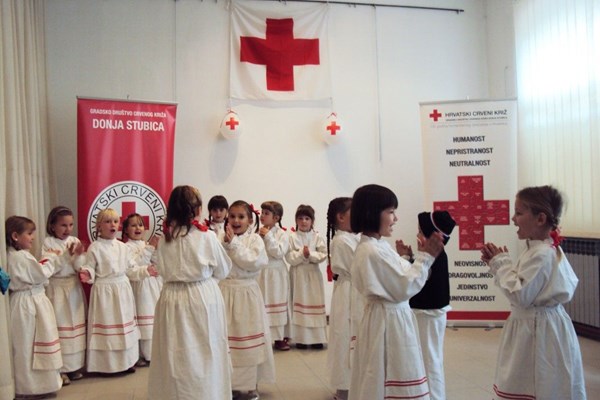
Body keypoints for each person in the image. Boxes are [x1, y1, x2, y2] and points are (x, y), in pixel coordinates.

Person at [480, 185, 587, 400]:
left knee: (536, 382)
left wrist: (500, 265)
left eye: (519, 213)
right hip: (537, 325)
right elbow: (525, 284)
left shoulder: (542, 254)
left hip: (539, 330)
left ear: (540, 219)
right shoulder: (538, 249)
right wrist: (500, 265)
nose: (513, 218)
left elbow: (521, 295)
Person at [348, 184, 444, 400]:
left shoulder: (378, 246)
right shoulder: (371, 250)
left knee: (389, 372)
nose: (396, 218)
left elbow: (401, 274)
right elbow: (404, 287)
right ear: (371, 213)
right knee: (391, 373)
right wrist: (425, 258)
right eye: (390, 212)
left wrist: (411, 259)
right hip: (388, 321)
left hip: (391, 317)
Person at [148, 186, 233, 400]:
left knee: (173, 354)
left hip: (170, 299)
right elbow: (223, 270)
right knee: (205, 352)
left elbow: (160, 270)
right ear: (196, 209)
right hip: (201, 296)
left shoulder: (164, 239)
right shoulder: (207, 237)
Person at [79, 208, 158, 374]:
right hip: (104, 292)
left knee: (124, 326)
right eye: (107, 222)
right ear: (99, 226)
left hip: (122, 290)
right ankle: (105, 365)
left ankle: (126, 362)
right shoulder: (95, 247)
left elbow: (131, 269)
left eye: (115, 221)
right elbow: (90, 266)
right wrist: (88, 273)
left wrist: (145, 271)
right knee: (108, 327)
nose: (112, 225)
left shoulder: (122, 247)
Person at [220, 200, 274, 400]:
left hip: (247, 293)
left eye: (241, 217)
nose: (236, 220)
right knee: (228, 339)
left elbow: (254, 262)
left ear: (250, 221)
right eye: (232, 216)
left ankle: (250, 385)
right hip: (225, 292)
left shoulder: (255, 240)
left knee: (248, 338)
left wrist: (233, 245)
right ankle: (230, 383)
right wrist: (228, 243)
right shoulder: (221, 238)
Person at [6, 216, 63, 398]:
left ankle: (41, 384)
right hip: (28, 304)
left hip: (31, 301)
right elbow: (40, 274)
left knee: (32, 344)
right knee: (28, 346)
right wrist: (50, 257)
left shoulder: (18, 256)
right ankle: (31, 386)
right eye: (29, 234)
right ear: (15, 236)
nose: (32, 238)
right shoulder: (18, 257)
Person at [400, 210, 456, 400]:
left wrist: (406, 260)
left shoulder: (435, 257)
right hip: (427, 314)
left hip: (429, 315)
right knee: (428, 358)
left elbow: (416, 280)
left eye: (420, 231)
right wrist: (409, 257)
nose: (417, 236)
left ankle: (435, 396)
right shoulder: (431, 256)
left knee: (430, 360)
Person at [42, 206, 87, 385]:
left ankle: (74, 366)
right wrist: (67, 255)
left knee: (75, 326)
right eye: (63, 225)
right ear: (52, 226)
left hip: (73, 288)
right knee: (61, 326)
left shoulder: (74, 240)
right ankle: (61, 369)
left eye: (70, 225)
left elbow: (78, 266)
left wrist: (79, 257)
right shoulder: (47, 243)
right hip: (57, 288)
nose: (67, 229)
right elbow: (50, 267)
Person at [325, 197, 361, 400]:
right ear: (340, 217)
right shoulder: (341, 240)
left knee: (352, 339)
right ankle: (344, 388)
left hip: (354, 291)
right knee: (345, 339)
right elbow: (359, 266)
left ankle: (354, 385)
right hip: (348, 293)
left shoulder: (352, 238)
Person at [122, 213, 162, 367]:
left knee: (154, 317)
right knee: (144, 318)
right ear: (125, 230)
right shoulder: (126, 247)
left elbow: (155, 261)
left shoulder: (145, 244)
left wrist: (157, 250)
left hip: (152, 286)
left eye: (140, 225)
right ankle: (143, 353)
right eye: (133, 225)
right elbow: (136, 264)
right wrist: (150, 248)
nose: (137, 228)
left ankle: (155, 352)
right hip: (140, 287)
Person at [285, 204, 328, 349]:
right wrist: (300, 255)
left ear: (312, 221)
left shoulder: (317, 237)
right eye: (300, 218)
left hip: (313, 274)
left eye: (307, 218)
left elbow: (323, 254)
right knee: (300, 304)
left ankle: (316, 339)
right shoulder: (292, 237)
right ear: (296, 220)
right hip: (298, 274)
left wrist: (310, 254)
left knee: (314, 303)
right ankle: (301, 339)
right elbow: (289, 257)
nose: (304, 221)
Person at [257, 201, 291, 351]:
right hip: (262, 272)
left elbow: (278, 252)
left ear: (276, 218)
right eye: (262, 212)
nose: (262, 216)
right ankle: (264, 336)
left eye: (266, 213)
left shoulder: (282, 234)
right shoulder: (257, 232)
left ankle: (279, 337)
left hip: (276, 273)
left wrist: (268, 237)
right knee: (262, 303)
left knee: (277, 302)